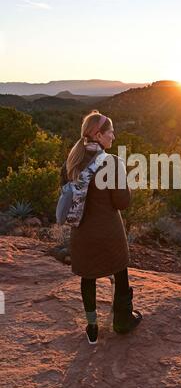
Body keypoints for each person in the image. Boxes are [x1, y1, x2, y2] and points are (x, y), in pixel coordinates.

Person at [60, 109, 142, 344]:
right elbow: (122, 202)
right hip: (109, 234)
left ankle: (92, 326)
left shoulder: (72, 162)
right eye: (111, 133)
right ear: (98, 135)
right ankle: (123, 321)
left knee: (88, 277)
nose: (113, 137)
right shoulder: (112, 163)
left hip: (82, 234)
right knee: (120, 272)